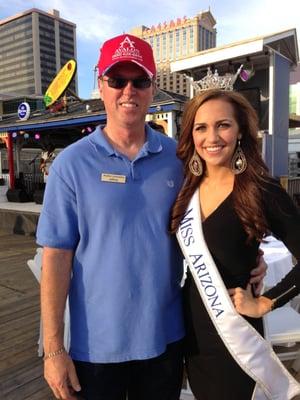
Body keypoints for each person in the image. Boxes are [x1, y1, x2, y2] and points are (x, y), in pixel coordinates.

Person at [36, 35, 266, 400]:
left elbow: (218, 213)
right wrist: (53, 350)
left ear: (152, 87)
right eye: (117, 80)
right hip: (96, 347)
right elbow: (56, 258)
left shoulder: (180, 158)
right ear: (101, 85)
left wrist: (251, 256)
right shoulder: (71, 164)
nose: (129, 90)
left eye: (139, 80)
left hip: (166, 339)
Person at [170, 87, 300, 399]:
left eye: (223, 125)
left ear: (240, 131)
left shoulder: (260, 189)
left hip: (235, 334)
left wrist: (266, 302)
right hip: (192, 332)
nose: (211, 137)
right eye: (201, 127)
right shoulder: (187, 187)